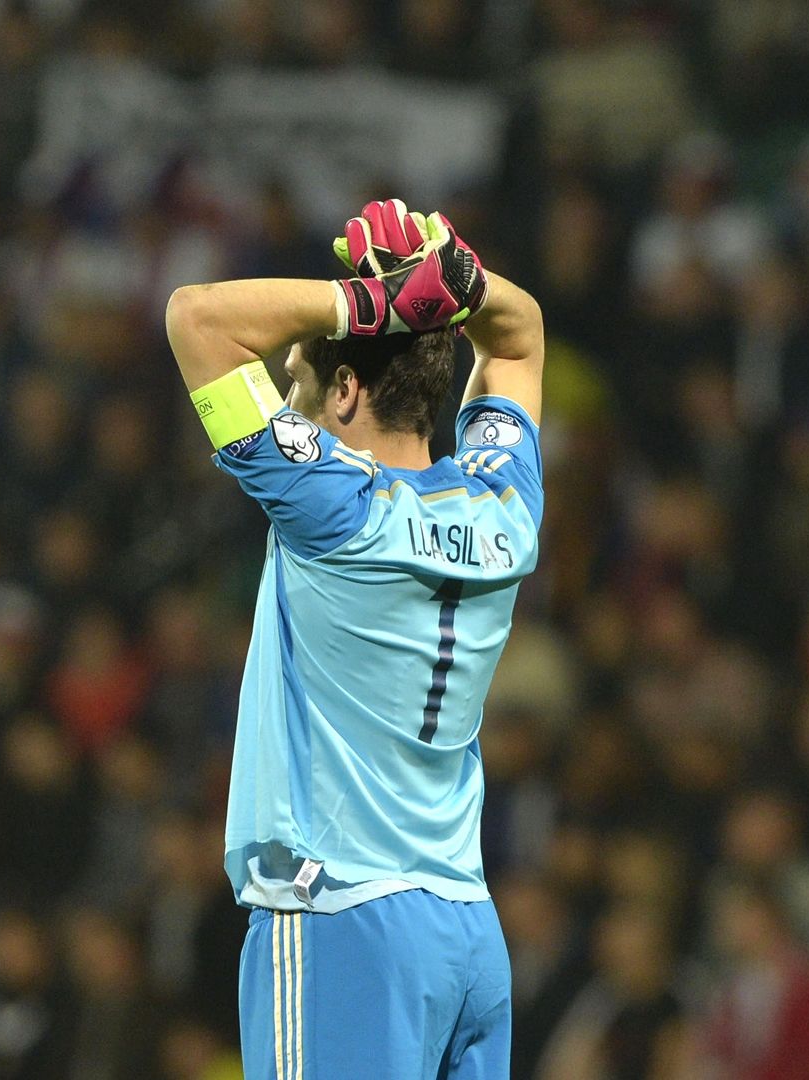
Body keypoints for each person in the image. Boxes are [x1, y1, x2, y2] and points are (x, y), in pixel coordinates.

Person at [165, 200, 546, 1078]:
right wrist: (453, 278)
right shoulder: (505, 510)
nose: (288, 393)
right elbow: (519, 335)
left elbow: (197, 317)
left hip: (342, 918)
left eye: (298, 379)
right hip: (465, 931)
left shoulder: (334, 510)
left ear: (343, 391)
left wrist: (367, 306)